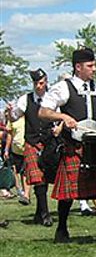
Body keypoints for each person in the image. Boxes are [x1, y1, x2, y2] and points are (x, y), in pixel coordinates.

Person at [38, 47, 96, 243]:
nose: (94, 69)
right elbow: (43, 112)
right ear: (78, 67)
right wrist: (63, 116)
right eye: (90, 65)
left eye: (94, 65)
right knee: (69, 193)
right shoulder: (64, 87)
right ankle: (62, 229)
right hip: (74, 145)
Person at [6, 69, 58, 226]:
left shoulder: (53, 98)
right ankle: (45, 214)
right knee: (37, 179)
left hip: (50, 143)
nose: (39, 86)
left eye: (41, 83)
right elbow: (14, 116)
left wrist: (60, 127)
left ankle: (38, 213)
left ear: (46, 81)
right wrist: (9, 113)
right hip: (32, 142)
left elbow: (62, 115)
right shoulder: (25, 99)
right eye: (36, 83)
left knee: (48, 177)